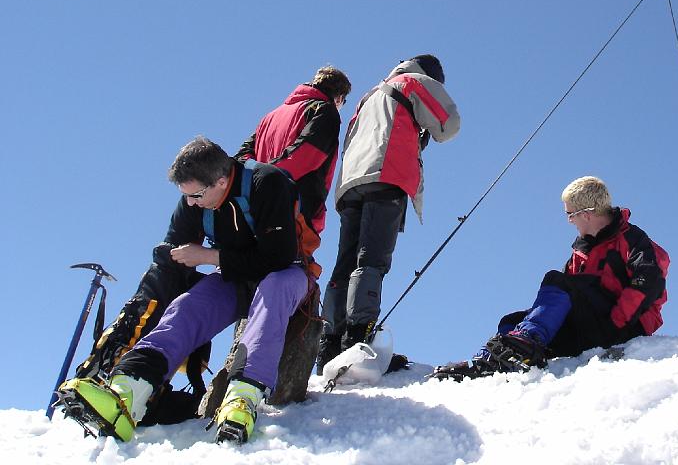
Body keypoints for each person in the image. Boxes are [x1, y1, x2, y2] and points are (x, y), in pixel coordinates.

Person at [56, 137, 311, 444]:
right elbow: (173, 246)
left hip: (287, 274)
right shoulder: (195, 199)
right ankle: (128, 389)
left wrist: (209, 257)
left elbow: (278, 257)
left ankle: (242, 399)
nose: (190, 203)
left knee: (272, 294)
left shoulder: (266, 183)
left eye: (196, 195)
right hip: (234, 278)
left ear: (221, 181)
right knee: (188, 307)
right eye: (185, 195)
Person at [431, 176, 669, 381]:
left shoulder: (632, 240)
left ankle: (526, 341)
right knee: (513, 321)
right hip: (592, 326)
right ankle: (490, 361)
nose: (569, 221)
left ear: (586, 214)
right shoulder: (582, 252)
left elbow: (648, 283)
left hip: (622, 327)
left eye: (570, 214)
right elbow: (562, 303)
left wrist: (615, 324)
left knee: (556, 281)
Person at [317, 54, 460, 373]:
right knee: (371, 260)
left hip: (350, 183)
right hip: (386, 175)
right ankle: (358, 343)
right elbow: (448, 124)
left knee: (344, 265)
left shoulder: (370, 95)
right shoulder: (414, 82)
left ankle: (328, 345)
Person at [236, 65, 351, 278]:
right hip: (293, 210)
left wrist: (252, 184)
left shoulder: (270, 116)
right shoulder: (325, 111)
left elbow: (242, 157)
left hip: (253, 209)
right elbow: (306, 155)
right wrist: (268, 181)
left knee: (249, 272)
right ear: (339, 97)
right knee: (288, 276)